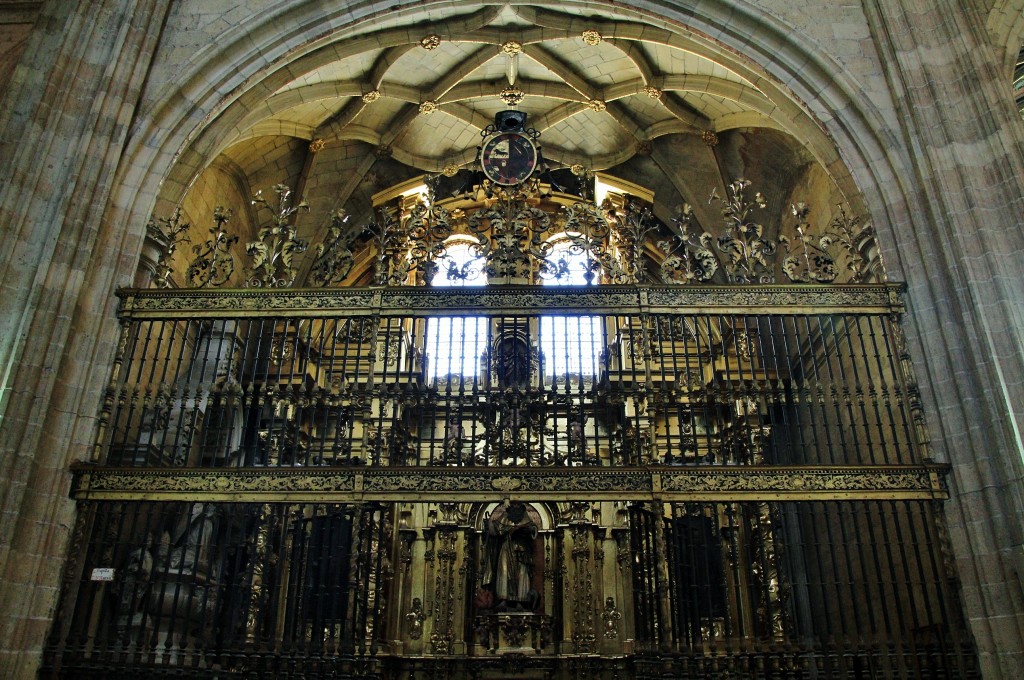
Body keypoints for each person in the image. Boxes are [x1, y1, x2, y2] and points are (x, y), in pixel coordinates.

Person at [482, 501, 538, 611]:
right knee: (503, 572)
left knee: (522, 574)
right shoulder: (503, 518)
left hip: (521, 551)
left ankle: (520, 601)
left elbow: (533, 529)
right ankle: (503, 599)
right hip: (506, 549)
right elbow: (494, 531)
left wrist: (529, 530)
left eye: (518, 505)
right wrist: (489, 524)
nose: (516, 507)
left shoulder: (526, 519)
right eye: (513, 505)